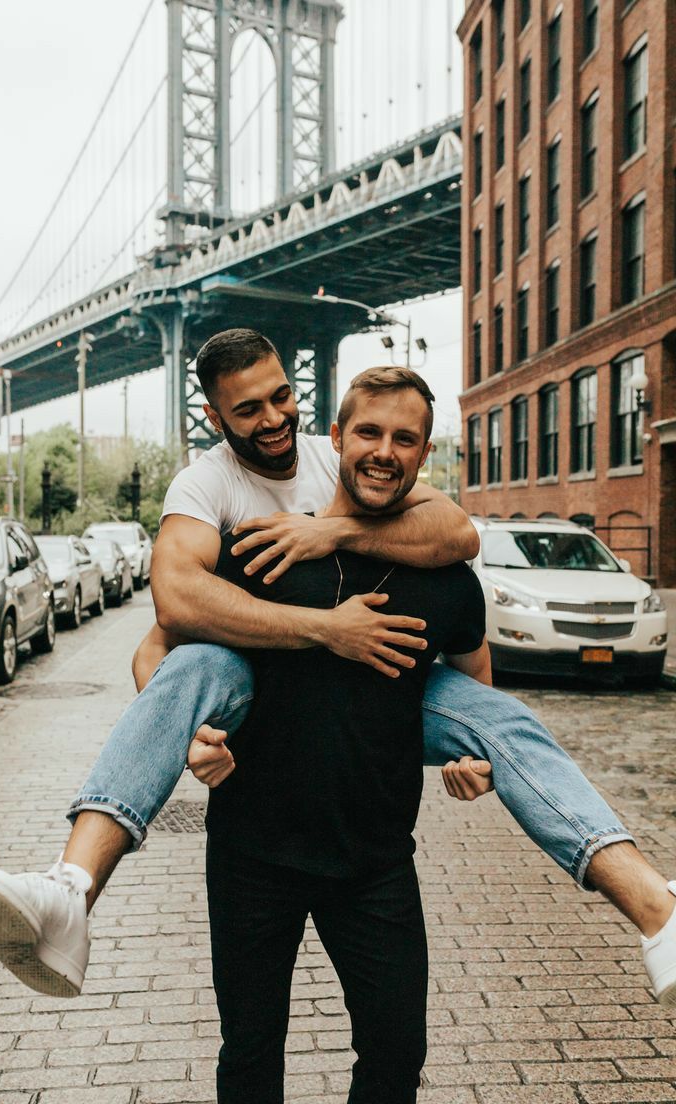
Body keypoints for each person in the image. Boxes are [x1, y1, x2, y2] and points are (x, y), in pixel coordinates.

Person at [0, 330, 676, 1010]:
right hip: (258, 697)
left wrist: (331, 528)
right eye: (249, 409)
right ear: (213, 416)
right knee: (203, 660)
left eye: (281, 398)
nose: (273, 419)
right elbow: (166, 625)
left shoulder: (345, 459)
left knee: (507, 721)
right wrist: (317, 640)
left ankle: (659, 913)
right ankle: (71, 890)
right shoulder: (216, 501)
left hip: (377, 749)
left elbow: (457, 536)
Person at [204, 366, 487, 1102]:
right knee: (250, 1054)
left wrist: (474, 748)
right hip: (251, 853)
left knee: (396, 1056)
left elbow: (472, 656)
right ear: (336, 439)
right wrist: (195, 735)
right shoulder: (262, 550)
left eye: (405, 438)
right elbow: (171, 646)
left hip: (376, 862)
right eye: (368, 432)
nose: (384, 451)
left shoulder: (445, 576)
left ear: (425, 455)